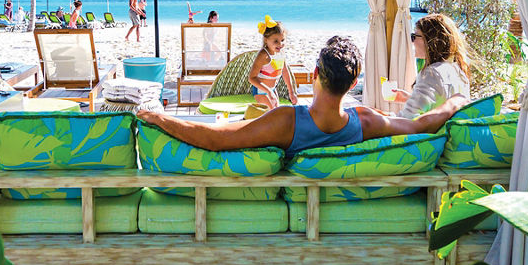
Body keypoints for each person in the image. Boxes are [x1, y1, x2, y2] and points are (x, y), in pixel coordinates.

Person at [138, 35, 465, 154]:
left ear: (316, 74)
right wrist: (455, 102)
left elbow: (215, 138)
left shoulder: (286, 122)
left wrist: (158, 117)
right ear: (354, 85)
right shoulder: (365, 121)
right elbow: (421, 125)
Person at [392, 13, 472, 118]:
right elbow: (441, 103)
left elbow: (408, 118)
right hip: (446, 132)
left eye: (414, 36)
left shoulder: (432, 73)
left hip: (429, 134)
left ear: (430, 40)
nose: (412, 42)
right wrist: (410, 98)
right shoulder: (457, 70)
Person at [248, 15, 299, 110]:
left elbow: (285, 72)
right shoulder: (264, 55)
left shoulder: (281, 53)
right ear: (266, 40)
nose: (280, 44)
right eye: (276, 41)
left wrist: (291, 92)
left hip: (272, 89)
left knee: (275, 112)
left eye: (282, 40)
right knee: (272, 113)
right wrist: (268, 91)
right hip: (261, 91)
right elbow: (251, 78)